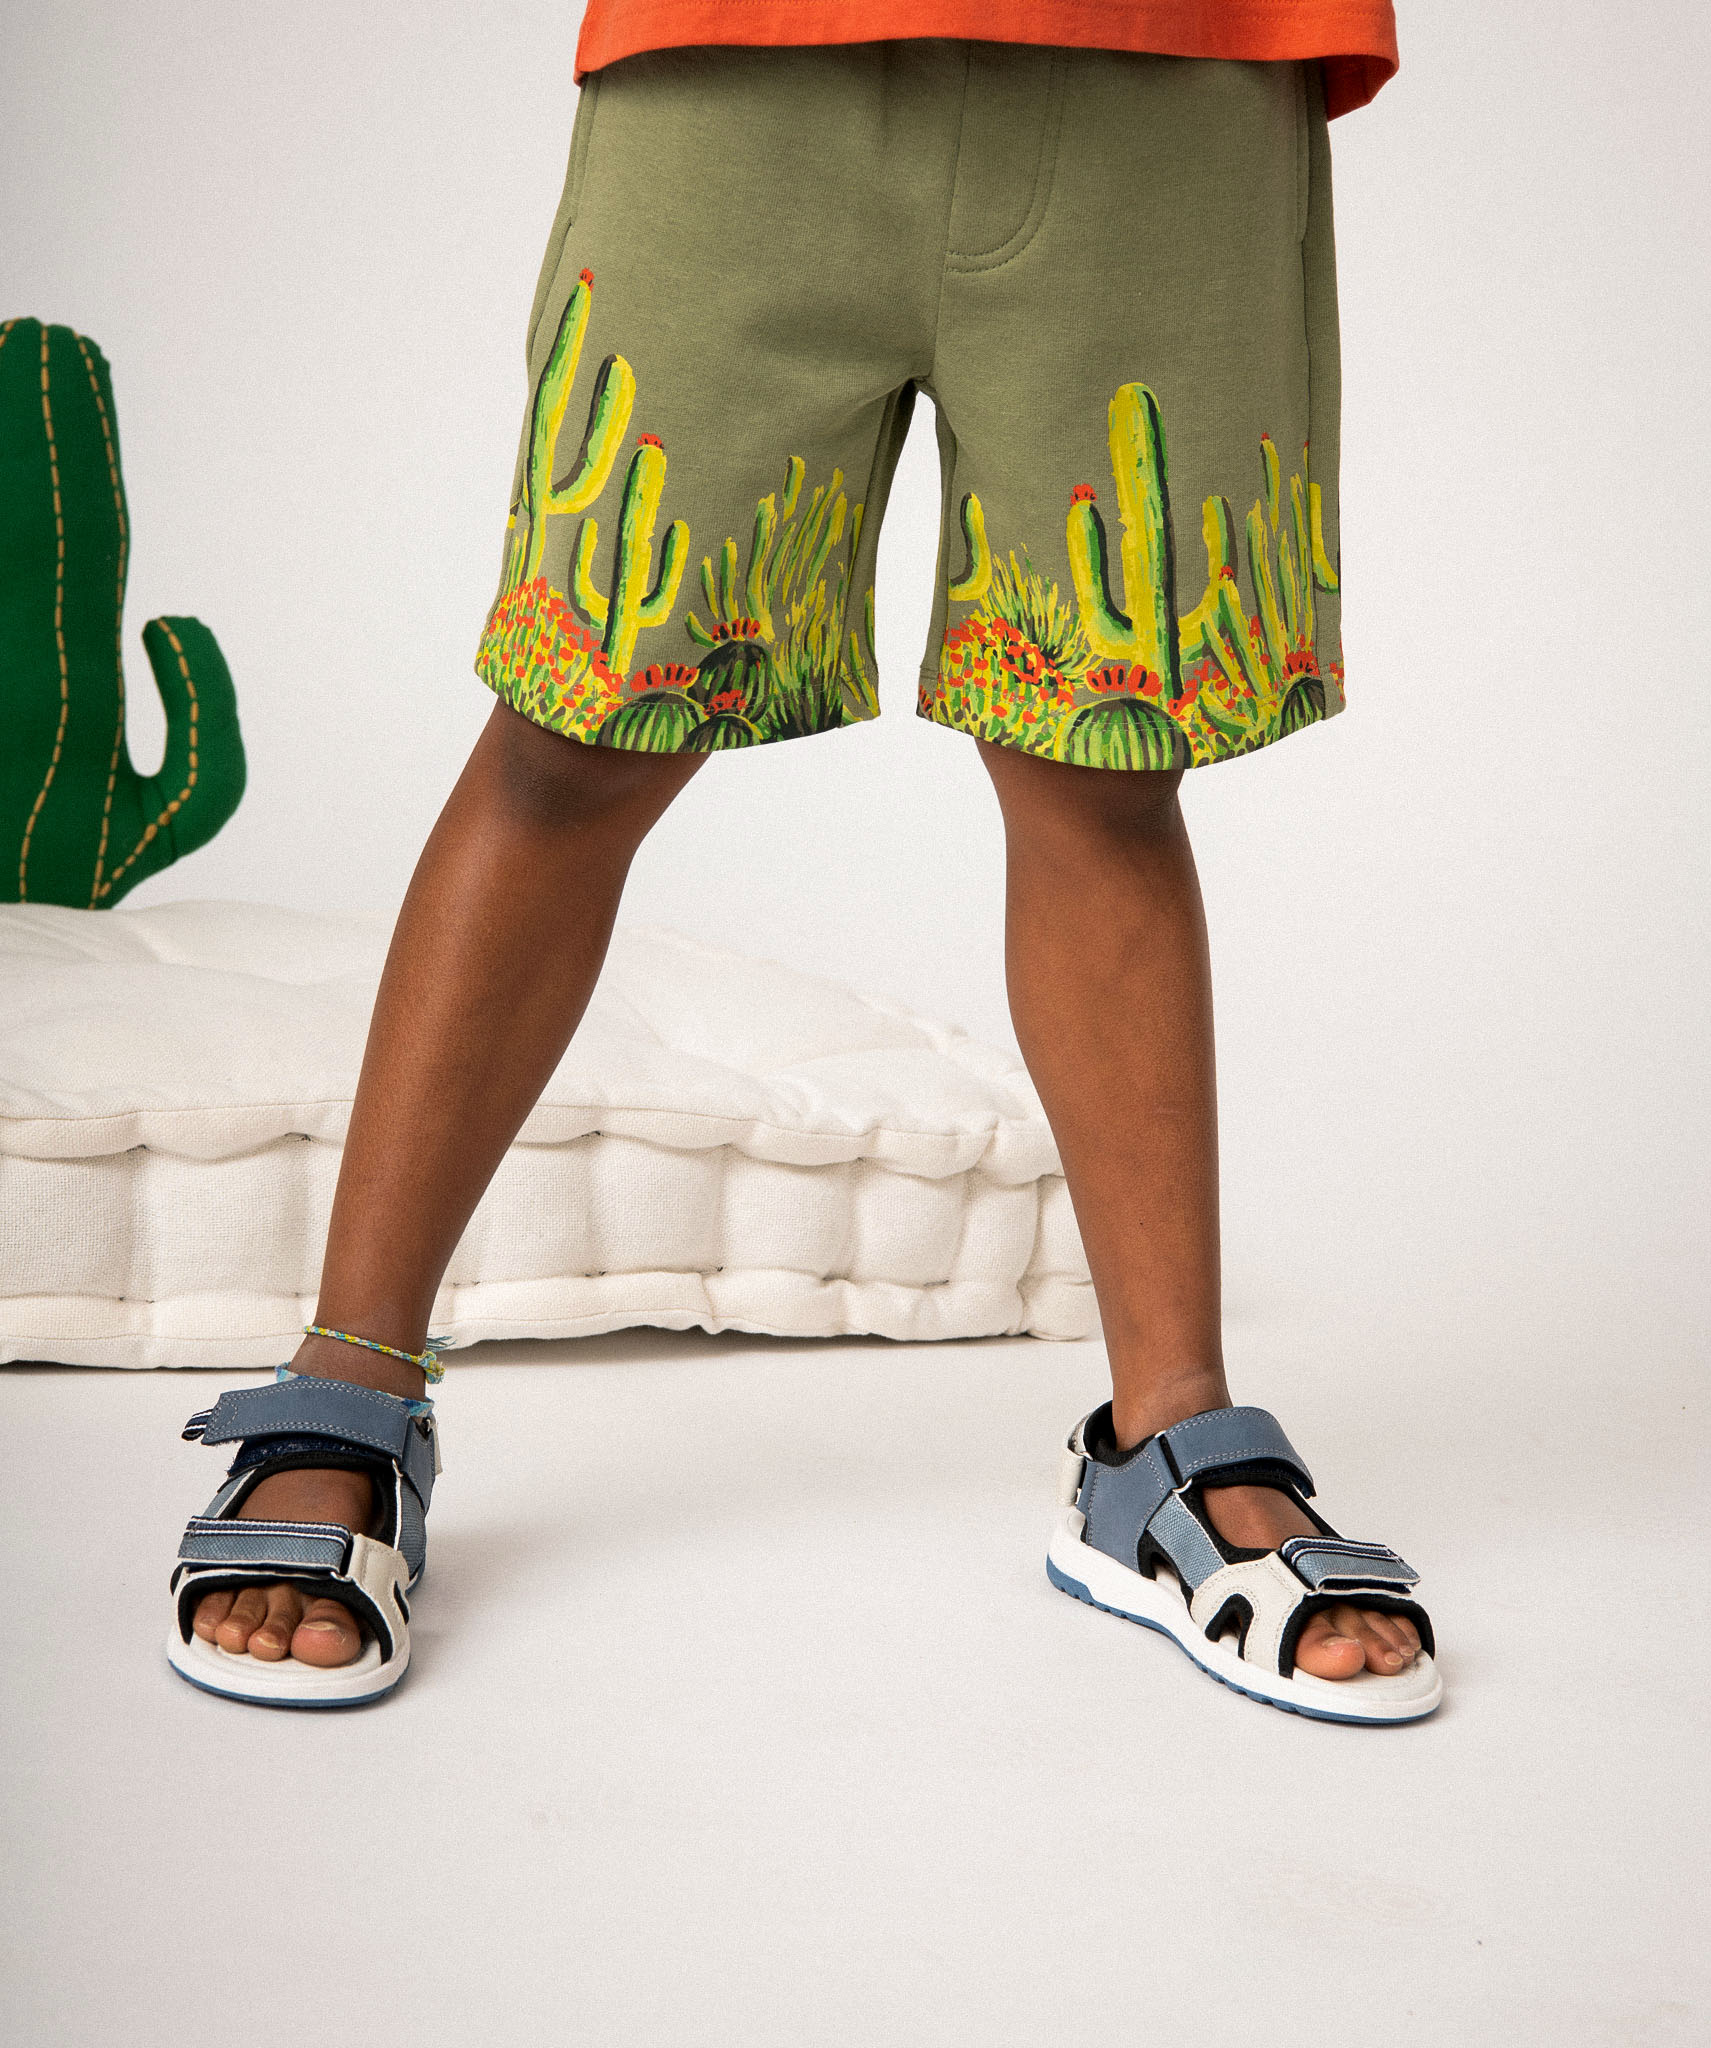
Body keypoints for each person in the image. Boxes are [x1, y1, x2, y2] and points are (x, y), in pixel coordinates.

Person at [166, 2, 1439, 1720]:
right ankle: (352, 1379)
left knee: (1104, 756)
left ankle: (1168, 1438)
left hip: (1182, 67)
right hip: (740, 57)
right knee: (581, 722)